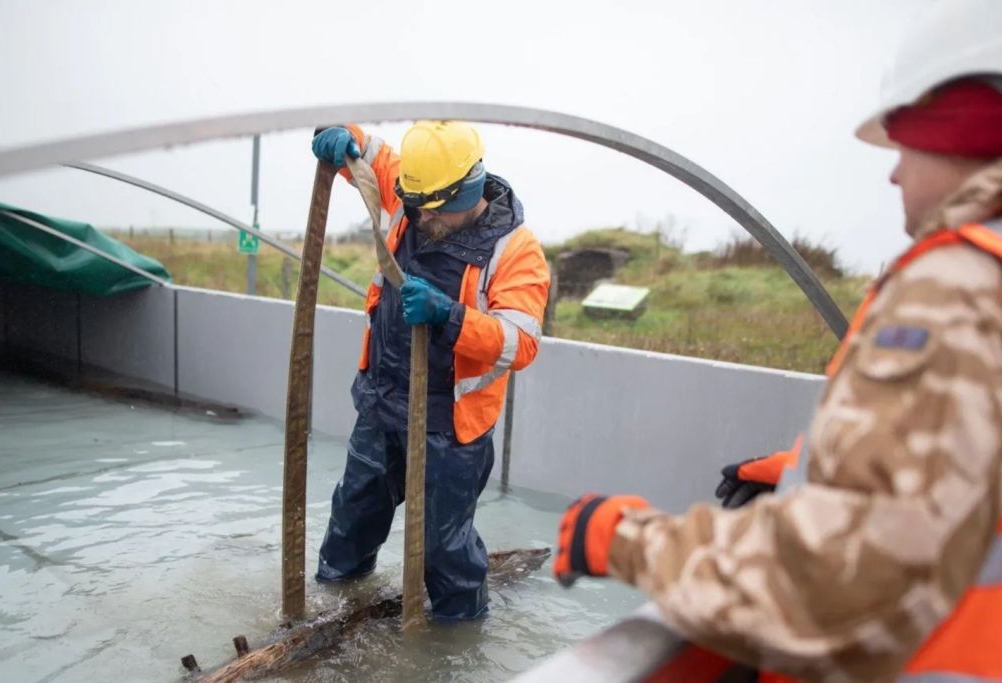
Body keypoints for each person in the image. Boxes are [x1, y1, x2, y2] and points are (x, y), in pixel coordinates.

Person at [554, 1, 1002, 680]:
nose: (892, 174)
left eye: (903, 141)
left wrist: (626, 538)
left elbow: (835, 582)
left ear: (960, 127)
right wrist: (808, 464)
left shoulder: (961, 284)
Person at [312, 121, 550, 622]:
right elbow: (370, 152)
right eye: (414, 204)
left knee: (444, 552)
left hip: (451, 427)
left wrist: (450, 316)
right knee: (350, 522)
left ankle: (455, 644)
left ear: (466, 189)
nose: (421, 217)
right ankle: (330, 616)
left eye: (434, 210)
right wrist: (340, 134)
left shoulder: (516, 250)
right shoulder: (415, 190)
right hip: (382, 404)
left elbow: (521, 342)